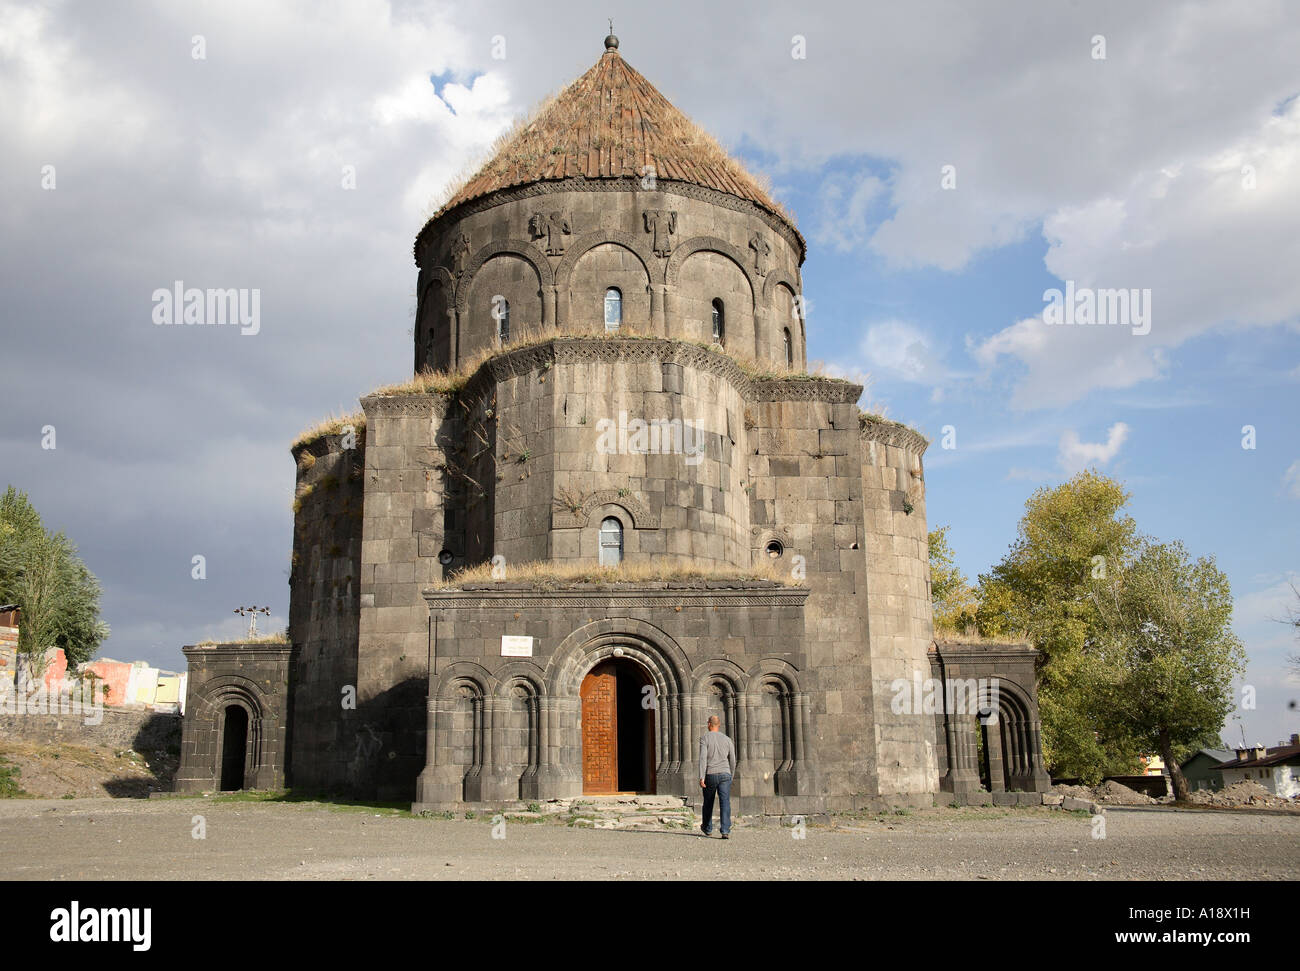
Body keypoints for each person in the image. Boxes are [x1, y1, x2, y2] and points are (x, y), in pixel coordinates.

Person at [698, 715, 736, 838]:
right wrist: (731, 774)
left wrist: (701, 776)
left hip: (711, 773)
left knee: (708, 801)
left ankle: (707, 828)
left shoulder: (705, 738)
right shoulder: (727, 739)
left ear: (709, 724)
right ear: (718, 725)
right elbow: (733, 760)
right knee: (725, 802)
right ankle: (725, 830)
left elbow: (703, 758)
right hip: (725, 773)